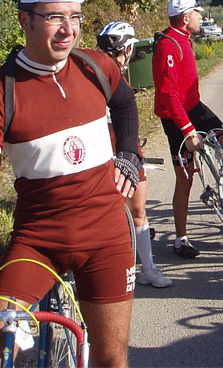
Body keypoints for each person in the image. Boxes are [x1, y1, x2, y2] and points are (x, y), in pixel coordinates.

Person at [0, 0, 141, 368]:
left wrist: (130, 155)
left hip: (107, 238)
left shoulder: (97, 67)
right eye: (54, 17)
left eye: (75, 17)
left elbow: (124, 103)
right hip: (38, 241)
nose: (68, 29)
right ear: (25, 20)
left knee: (111, 359)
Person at [153, 0, 223, 260]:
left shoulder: (184, 39)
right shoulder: (168, 46)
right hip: (175, 118)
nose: (201, 18)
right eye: (197, 14)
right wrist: (187, 130)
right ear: (185, 18)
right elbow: (169, 94)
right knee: (185, 178)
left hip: (195, 107)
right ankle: (180, 239)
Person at [97, 21, 171, 288]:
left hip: (105, 143)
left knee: (119, 211)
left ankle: (141, 269)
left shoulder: (94, 71)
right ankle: (145, 269)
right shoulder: (111, 74)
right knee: (137, 210)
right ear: (127, 48)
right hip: (116, 144)